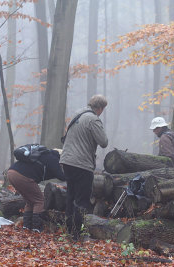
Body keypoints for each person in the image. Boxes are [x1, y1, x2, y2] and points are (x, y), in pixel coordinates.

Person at [60, 94, 108, 240]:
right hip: (82, 164)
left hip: (67, 161)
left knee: (71, 196)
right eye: (103, 109)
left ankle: (69, 229)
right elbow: (103, 141)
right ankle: (77, 233)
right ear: (99, 108)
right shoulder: (93, 119)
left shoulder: (78, 114)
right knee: (82, 200)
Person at [7, 148, 66, 233]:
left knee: (30, 201)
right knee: (40, 200)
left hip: (11, 173)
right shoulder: (53, 159)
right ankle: (36, 228)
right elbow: (61, 176)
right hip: (22, 176)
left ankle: (27, 227)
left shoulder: (44, 156)